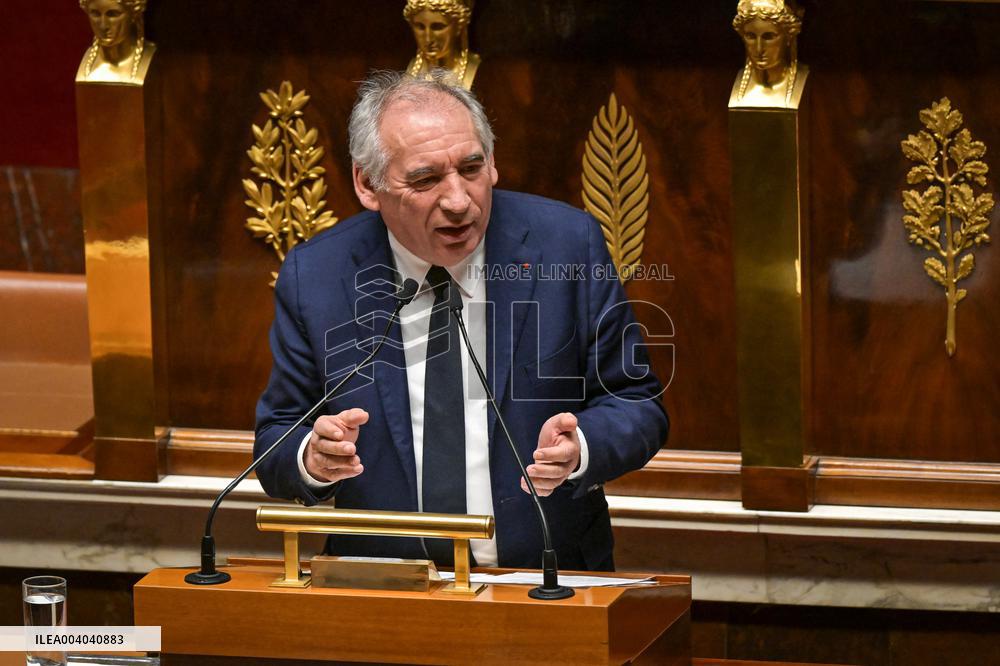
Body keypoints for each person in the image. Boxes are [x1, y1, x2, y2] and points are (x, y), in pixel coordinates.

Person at [254, 70, 669, 571]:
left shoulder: (566, 244)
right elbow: (278, 436)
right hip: (384, 586)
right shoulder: (316, 275)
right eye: (426, 179)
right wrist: (312, 458)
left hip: (544, 577)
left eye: (471, 168)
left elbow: (636, 400)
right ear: (368, 184)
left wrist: (581, 446)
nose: (457, 201)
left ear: (492, 163)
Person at [730, 0, 805, 109]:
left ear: (789, 36)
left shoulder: (803, 80)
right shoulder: (736, 86)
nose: (759, 49)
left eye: (769, 37)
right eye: (750, 36)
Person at [404, 0, 480, 90]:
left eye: (437, 27)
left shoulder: (477, 71)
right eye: (420, 27)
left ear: (459, 26)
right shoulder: (412, 70)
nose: (428, 39)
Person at [77, 0, 154, 83]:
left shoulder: (151, 59)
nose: (103, 26)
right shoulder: (87, 67)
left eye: (113, 14)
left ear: (134, 14)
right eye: (95, 14)